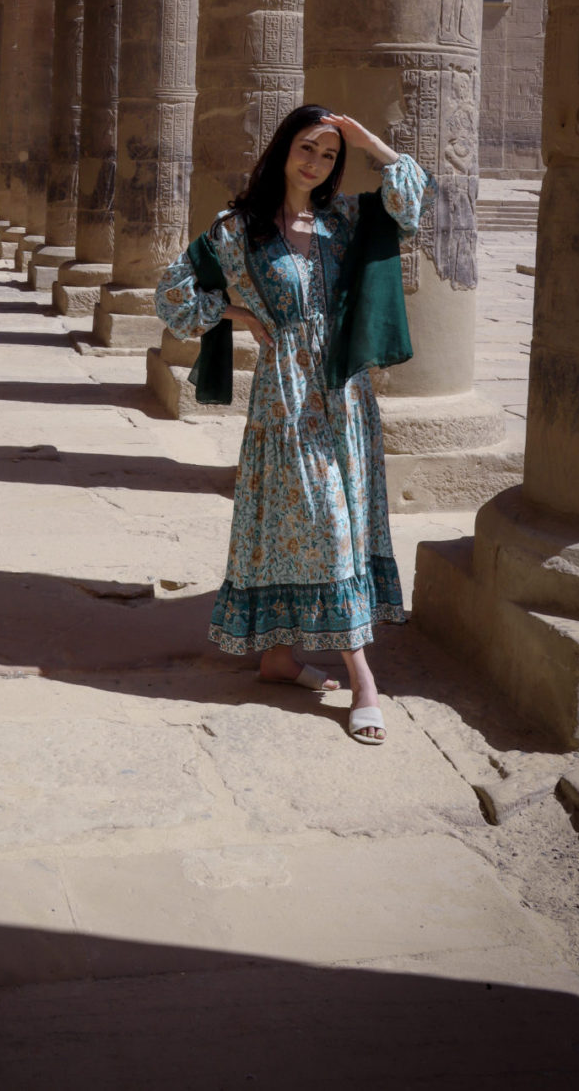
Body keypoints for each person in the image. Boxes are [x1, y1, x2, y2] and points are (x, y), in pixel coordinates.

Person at [155, 105, 435, 744]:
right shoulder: (236, 231)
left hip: (345, 395)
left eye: (331, 155)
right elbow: (170, 295)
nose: (317, 163)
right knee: (326, 524)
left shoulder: (344, 219)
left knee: (337, 522)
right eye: (308, 148)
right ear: (284, 150)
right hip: (284, 401)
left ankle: (279, 660)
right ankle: (365, 680)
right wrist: (229, 310)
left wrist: (368, 141)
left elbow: (413, 204)